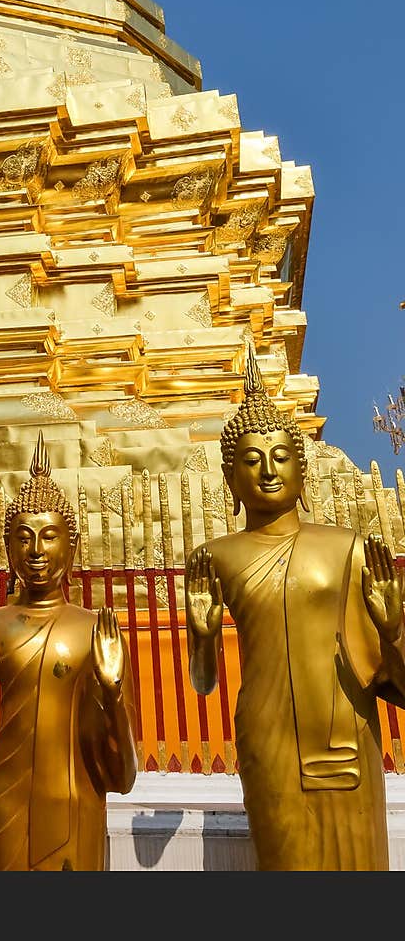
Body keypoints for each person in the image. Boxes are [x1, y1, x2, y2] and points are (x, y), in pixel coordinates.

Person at [185, 346, 405, 870]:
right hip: (270, 735)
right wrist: (202, 636)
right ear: (230, 479)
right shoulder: (216, 558)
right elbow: (201, 681)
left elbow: (393, 674)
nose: (267, 471)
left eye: (281, 456)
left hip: (348, 730)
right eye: (251, 460)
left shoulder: (347, 549)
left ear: (303, 469)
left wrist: (393, 629)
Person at [0, 433, 137, 870]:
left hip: (75, 799)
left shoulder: (95, 630)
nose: (35, 551)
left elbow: (124, 775)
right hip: (2, 800)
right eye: (23, 537)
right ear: (8, 546)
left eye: (49, 536)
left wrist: (113, 695)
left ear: (72, 544)